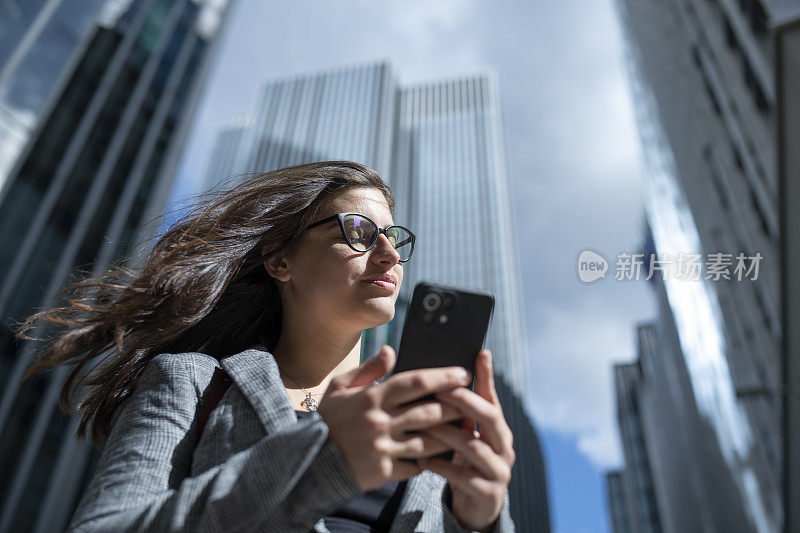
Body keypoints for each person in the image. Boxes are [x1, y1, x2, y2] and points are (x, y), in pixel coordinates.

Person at [17, 160, 516, 532]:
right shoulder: (191, 381)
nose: (388, 254)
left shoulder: (423, 421)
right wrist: (323, 461)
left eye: (393, 237)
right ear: (280, 262)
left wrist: (479, 519)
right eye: (359, 232)